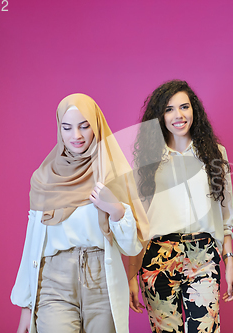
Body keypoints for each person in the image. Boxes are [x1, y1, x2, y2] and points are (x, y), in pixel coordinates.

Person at [11, 93, 149, 333]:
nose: (76, 136)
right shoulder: (44, 178)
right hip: (54, 280)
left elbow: (132, 246)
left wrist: (115, 209)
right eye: (67, 127)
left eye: (84, 126)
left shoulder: (113, 173)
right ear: (59, 129)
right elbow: (32, 244)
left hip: (102, 279)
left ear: (96, 126)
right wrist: (26, 305)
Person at [129, 80, 233, 333]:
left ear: (194, 111)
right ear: (159, 116)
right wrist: (130, 276)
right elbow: (137, 223)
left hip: (203, 254)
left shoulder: (215, 154)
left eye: (184, 107)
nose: (178, 115)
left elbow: (225, 214)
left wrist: (229, 262)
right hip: (157, 256)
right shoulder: (146, 160)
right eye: (169, 109)